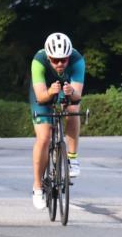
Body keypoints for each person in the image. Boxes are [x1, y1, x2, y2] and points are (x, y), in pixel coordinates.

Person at [30, 32, 85, 210]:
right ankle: (37, 187)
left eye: (64, 60)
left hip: (65, 90)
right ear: (48, 56)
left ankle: (72, 158)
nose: (60, 64)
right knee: (44, 137)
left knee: (73, 109)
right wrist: (51, 92)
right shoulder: (38, 61)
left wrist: (70, 93)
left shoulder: (77, 60)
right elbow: (40, 96)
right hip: (44, 93)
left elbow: (78, 95)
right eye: (55, 60)